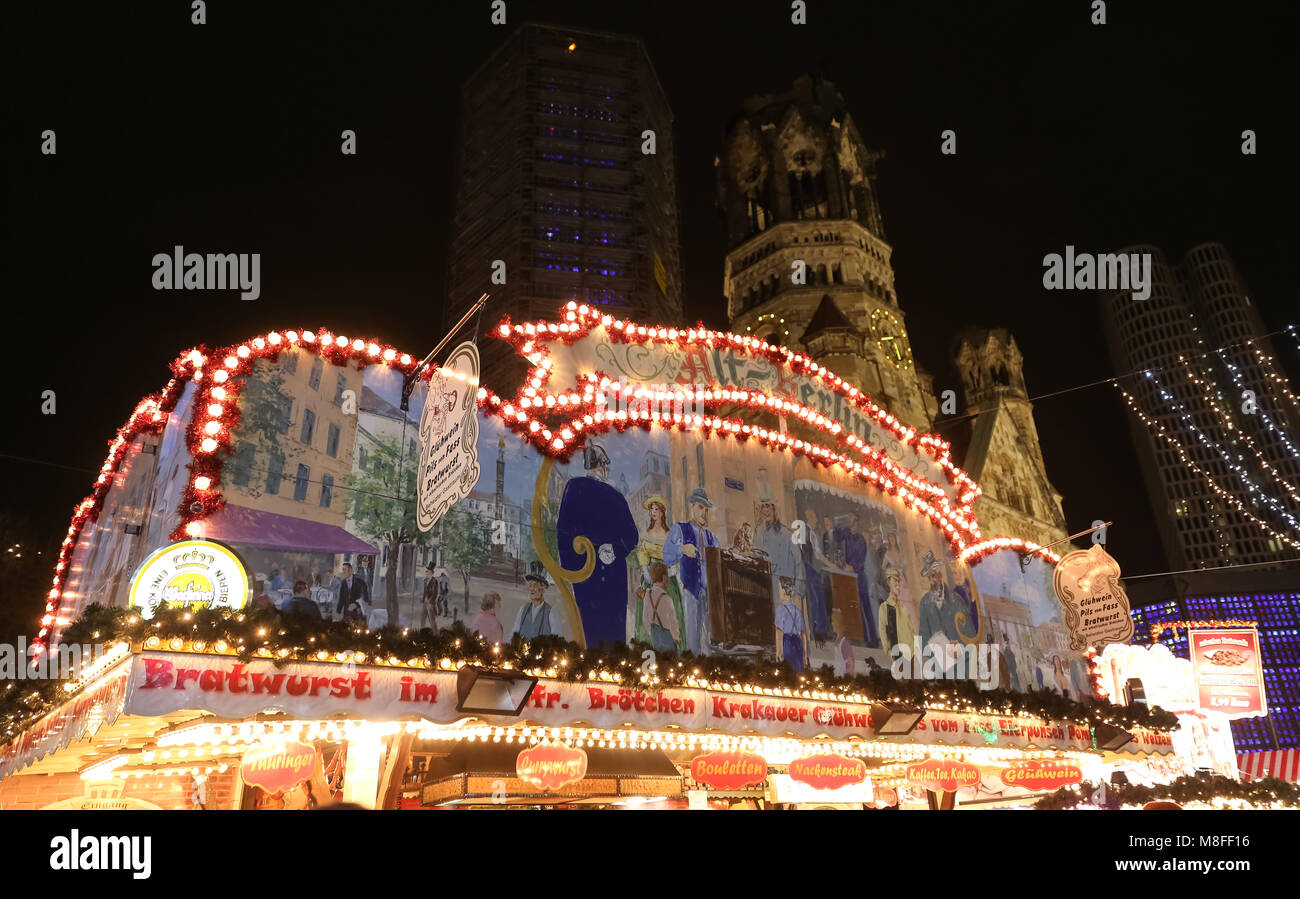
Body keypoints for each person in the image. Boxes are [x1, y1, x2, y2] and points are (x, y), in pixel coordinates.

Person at [556, 443, 640, 647]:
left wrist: (571, 568)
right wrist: (615, 549)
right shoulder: (617, 497)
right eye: (606, 466)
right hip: (609, 574)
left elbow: (564, 530)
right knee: (610, 629)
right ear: (603, 467)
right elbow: (631, 536)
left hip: (587, 572)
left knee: (590, 626)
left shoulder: (574, 487)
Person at [663, 488, 720, 655]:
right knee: (692, 634)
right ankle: (693, 667)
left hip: (710, 592)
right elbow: (667, 555)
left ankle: (713, 670)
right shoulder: (680, 529)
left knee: (713, 635)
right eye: (701, 507)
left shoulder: (712, 538)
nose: (704, 513)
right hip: (691, 588)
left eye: (706, 509)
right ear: (692, 506)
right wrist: (682, 549)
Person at [632, 496, 683, 649]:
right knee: (648, 612)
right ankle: (647, 648)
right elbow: (642, 552)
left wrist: (674, 568)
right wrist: (645, 569)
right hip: (650, 575)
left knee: (671, 612)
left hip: (667, 576)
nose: (652, 513)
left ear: (662, 512)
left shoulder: (670, 534)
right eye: (651, 510)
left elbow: (677, 552)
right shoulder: (646, 533)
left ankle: (675, 646)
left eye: (656, 509)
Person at [834, 512, 880, 647]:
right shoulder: (847, 536)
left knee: (865, 607)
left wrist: (852, 567)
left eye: (852, 518)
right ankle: (861, 636)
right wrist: (843, 524)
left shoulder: (859, 538)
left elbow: (861, 558)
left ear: (856, 521)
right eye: (848, 518)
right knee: (854, 607)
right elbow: (837, 537)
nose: (849, 520)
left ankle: (872, 639)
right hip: (848, 577)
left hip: (859, 576)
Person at [637, 561, 680, 653]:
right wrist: (676, 638)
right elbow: (673, 622)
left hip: (655, 638)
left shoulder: (647, 596)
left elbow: (645, 620)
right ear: (664, 578)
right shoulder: (667, 599)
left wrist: (652, 633)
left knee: (658, 662)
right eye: (667, 577)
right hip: (668, 639)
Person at [511, 570, 566, 640]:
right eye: (530, 585)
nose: (531, 589)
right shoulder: (523, 610)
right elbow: (513, 634)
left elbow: (558, 640)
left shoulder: (551, 612)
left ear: (543, 590)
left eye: (535, 585)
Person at [876, 565, 916, 652]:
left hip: (911, 653)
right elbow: (883, 633)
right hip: (898, 654)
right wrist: (889, 652)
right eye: (895, 581)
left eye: (899, 581)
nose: (898, 584)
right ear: (888, 583)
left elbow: (912, 631)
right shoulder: (885, 608)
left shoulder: (903, 608)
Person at [774, 577, 807, 672]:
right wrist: (804, 656)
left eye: (779, 589)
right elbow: (803, 634)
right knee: (797, 672)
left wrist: (779, 653)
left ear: (784, 591)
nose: (779, 592)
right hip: (798, 644)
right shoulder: (798, 611)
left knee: (788, 673)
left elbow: (779, 632)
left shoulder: (781, 609)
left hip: (787, 643)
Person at [420, 563, 439, 629]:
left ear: (431, 572)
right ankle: (422, 632)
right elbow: (425, 592)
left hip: (430, 604)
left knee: (432, 620)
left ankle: (435, 634)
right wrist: (423, 599)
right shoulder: (425, 580)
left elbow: (435, 593)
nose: (426, 572)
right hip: (425, 603)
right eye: (426, 571)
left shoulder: (434, 581)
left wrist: (429, 601)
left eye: (427, 571)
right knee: (422, 619)